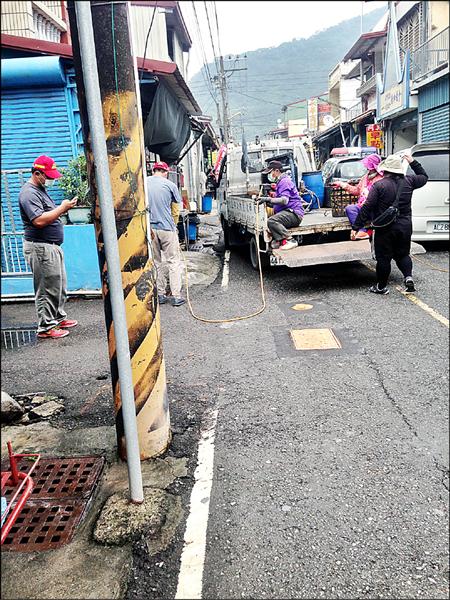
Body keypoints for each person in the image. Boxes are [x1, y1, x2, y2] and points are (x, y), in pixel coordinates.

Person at [19, 155, 78, 339]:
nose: (51, 180)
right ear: (37, 173)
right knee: (46, 288)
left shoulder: (40, 189)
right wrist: (62, 208)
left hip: (51, 246)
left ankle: (57, 318)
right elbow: (38, 220)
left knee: (58, 285)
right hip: (40, 248)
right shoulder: (29, 193)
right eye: (48, 176)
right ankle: (46, 326)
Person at [352, 153, 428, 295]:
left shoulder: (379, 185)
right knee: (403, 254)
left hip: (385, 227)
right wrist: (412, 161)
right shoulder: (410, 181)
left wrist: (356, 227)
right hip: (405, 225)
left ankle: (381, 287)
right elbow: (424, 177)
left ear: (385, 170)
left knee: (384, 258)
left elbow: (367, 207)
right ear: (399, 169)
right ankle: (408, 277)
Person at [147, 161, 185, 307]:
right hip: (167, 229)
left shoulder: (145, 183)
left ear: (153, 170)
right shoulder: (170, 185)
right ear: (165, 172)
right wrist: (174, 225)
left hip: (150, 229)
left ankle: (161, 294)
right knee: (173, 261)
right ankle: (176, 296)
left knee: (156, 262)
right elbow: (176, 208)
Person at [259, 160, 304, 251]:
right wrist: (267, 201)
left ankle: (290, 240)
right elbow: (278, 201)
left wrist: (268, 199)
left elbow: (284, 201)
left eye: (271, 172)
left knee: (272, 221)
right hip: (288, 213)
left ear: (276, 171)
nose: (270, 175)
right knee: (270, 221)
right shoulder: (280, 182)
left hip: (294, 214)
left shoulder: (284, 182)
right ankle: (280, 241)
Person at [338, 153, 384, 240]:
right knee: (350, 209)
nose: (367, 168)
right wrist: (343, 185)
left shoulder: (382, 179)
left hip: (375, 208)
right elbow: (357, 190)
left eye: (369, 166)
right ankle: (362, 231)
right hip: (363, 207)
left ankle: (370, 231)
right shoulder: (365, 178)